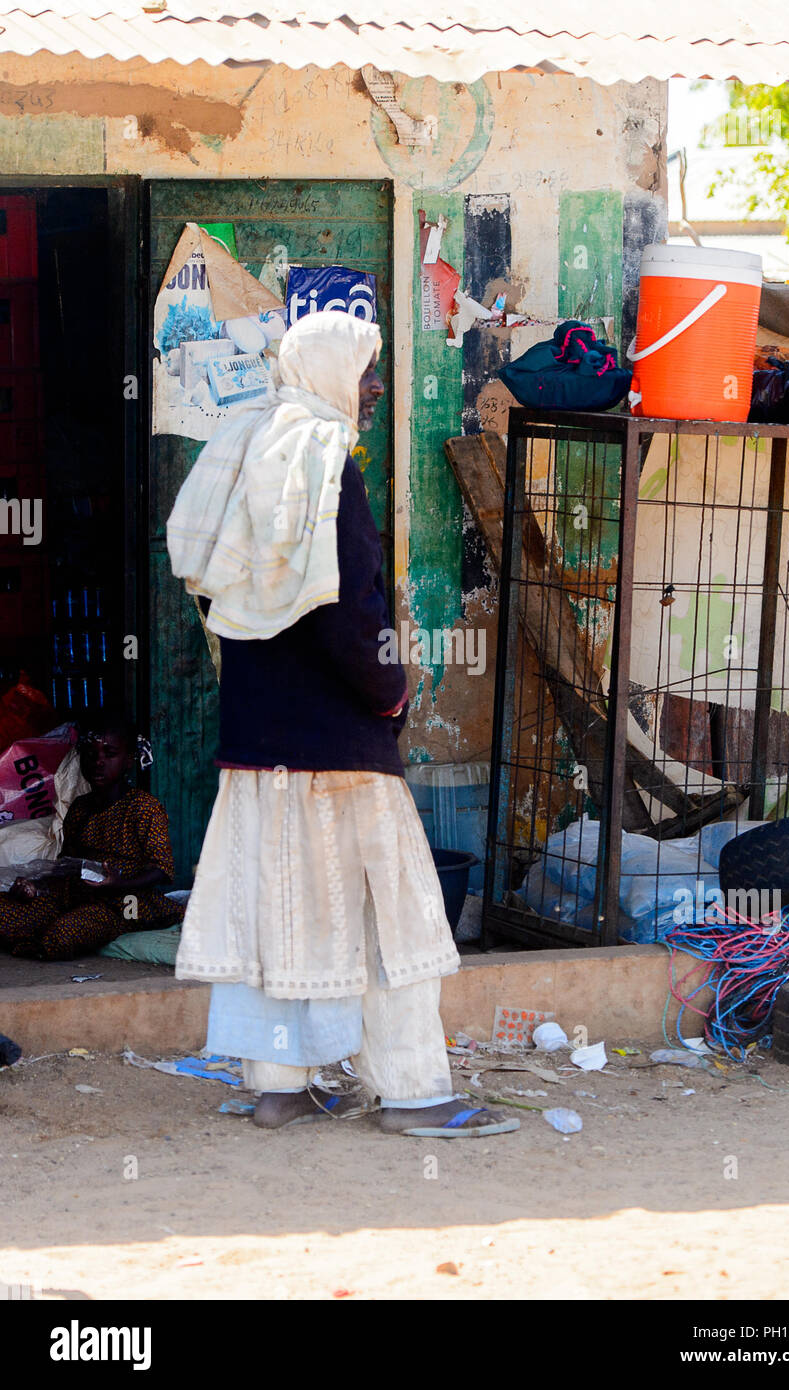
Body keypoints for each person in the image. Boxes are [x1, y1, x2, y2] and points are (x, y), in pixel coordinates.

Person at [168, 310, 518, 1137]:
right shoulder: (328, 464)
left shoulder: (253, 449)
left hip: (261, 746)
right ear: (328, 375)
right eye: (364, 370)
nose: (373, 386)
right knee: (386, 920)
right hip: (337, 748)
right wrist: (390, 691)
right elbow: (350, 610)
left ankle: (279, 1088)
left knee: (280, 912)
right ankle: (414, 1095)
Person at [0, 714, 183, 959]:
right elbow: (66, 865)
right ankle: (38, 933)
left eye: (110, 754)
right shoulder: (80, 807)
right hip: (77, 894)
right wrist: (36, 887)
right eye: (91, 754)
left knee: (63, 936)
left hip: (126, 900)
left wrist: (118, 884)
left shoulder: (144, 807)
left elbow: (162, 870)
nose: (98, 762)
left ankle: (38, 940)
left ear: (128, 760)